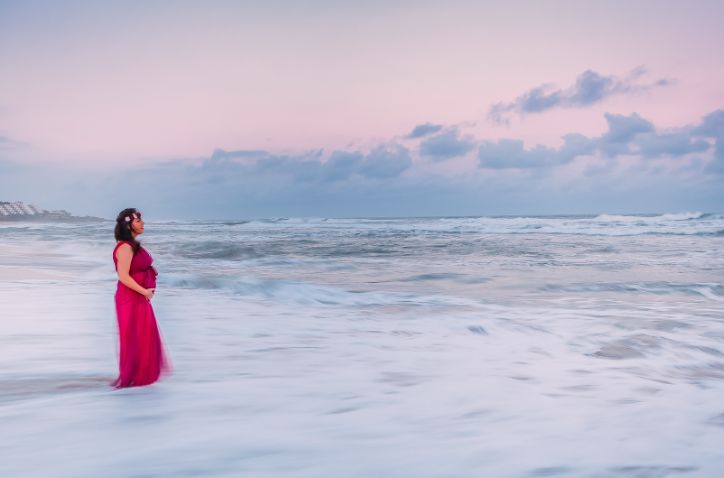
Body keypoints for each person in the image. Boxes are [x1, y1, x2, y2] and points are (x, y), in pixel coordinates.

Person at [111, 208, 169, 388]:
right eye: (138, 221)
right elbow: (123, 276)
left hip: (137, 297)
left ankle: (141, 378)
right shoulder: (125, 247)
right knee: (135, 336)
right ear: (128, 226)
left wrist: (150, 272)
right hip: (130, 298)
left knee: (144, 335)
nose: (142, 223)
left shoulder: (133, 245)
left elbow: (136, 267)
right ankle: (135, 379)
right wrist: (144, 291)